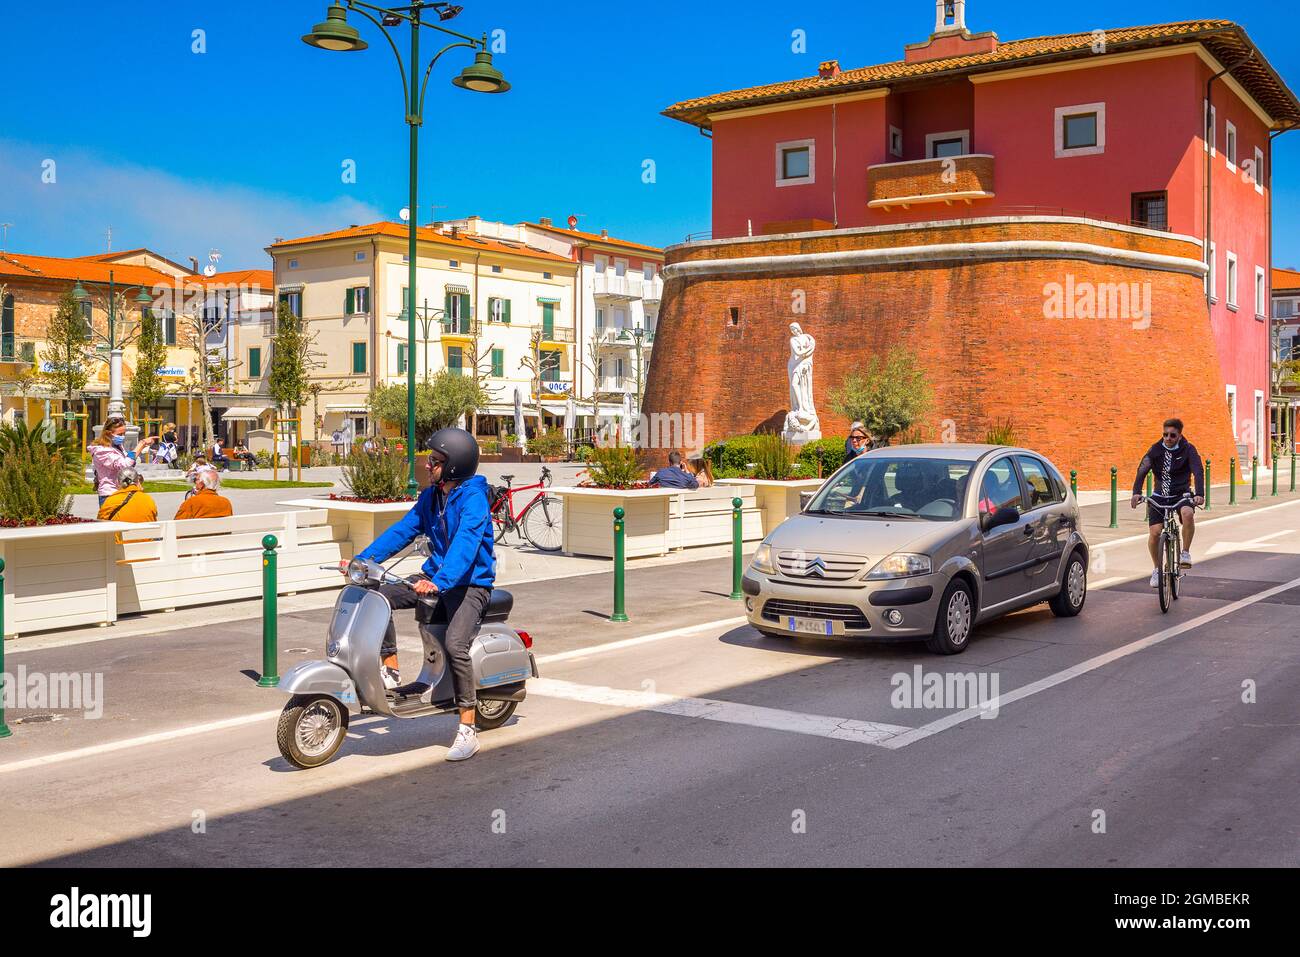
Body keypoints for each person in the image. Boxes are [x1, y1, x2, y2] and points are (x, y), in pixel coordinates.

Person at [353, 428, 495, 763]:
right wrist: (364, 560)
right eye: (429, 459)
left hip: (471, 584)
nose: (427, 465)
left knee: (456, 645)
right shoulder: (432, 497)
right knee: (379, 597)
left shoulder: (473, 499)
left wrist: (440, 581)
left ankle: (467, 729)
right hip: (437, 577)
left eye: (435, 461)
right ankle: (390, 669)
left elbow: (465, 546)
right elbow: (403, 529)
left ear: (454, 466)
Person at [1131, 418, 1205, 587]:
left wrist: (1199, 494)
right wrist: (1136, 493)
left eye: (1172, 435)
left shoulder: (1188, 449)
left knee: (1188, 514)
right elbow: (1142, 469)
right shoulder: (1156, 450)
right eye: (1165, 435)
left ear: (1179, 435)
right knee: (1155, 533)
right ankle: (1157, 569)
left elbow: (1198, 470)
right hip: (1159, 495)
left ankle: (1185, 552)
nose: (1168, 438)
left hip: (1182, 495)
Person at [89, 415, 158, 506]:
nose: (122, 437)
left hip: (122, 491)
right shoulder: (101, 450)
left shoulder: (117, 446)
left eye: (123, 434)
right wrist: (141, 444)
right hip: (110, 494)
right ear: (108, 433)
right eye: (119, 434)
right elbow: (124, 465)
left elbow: (129, 461)